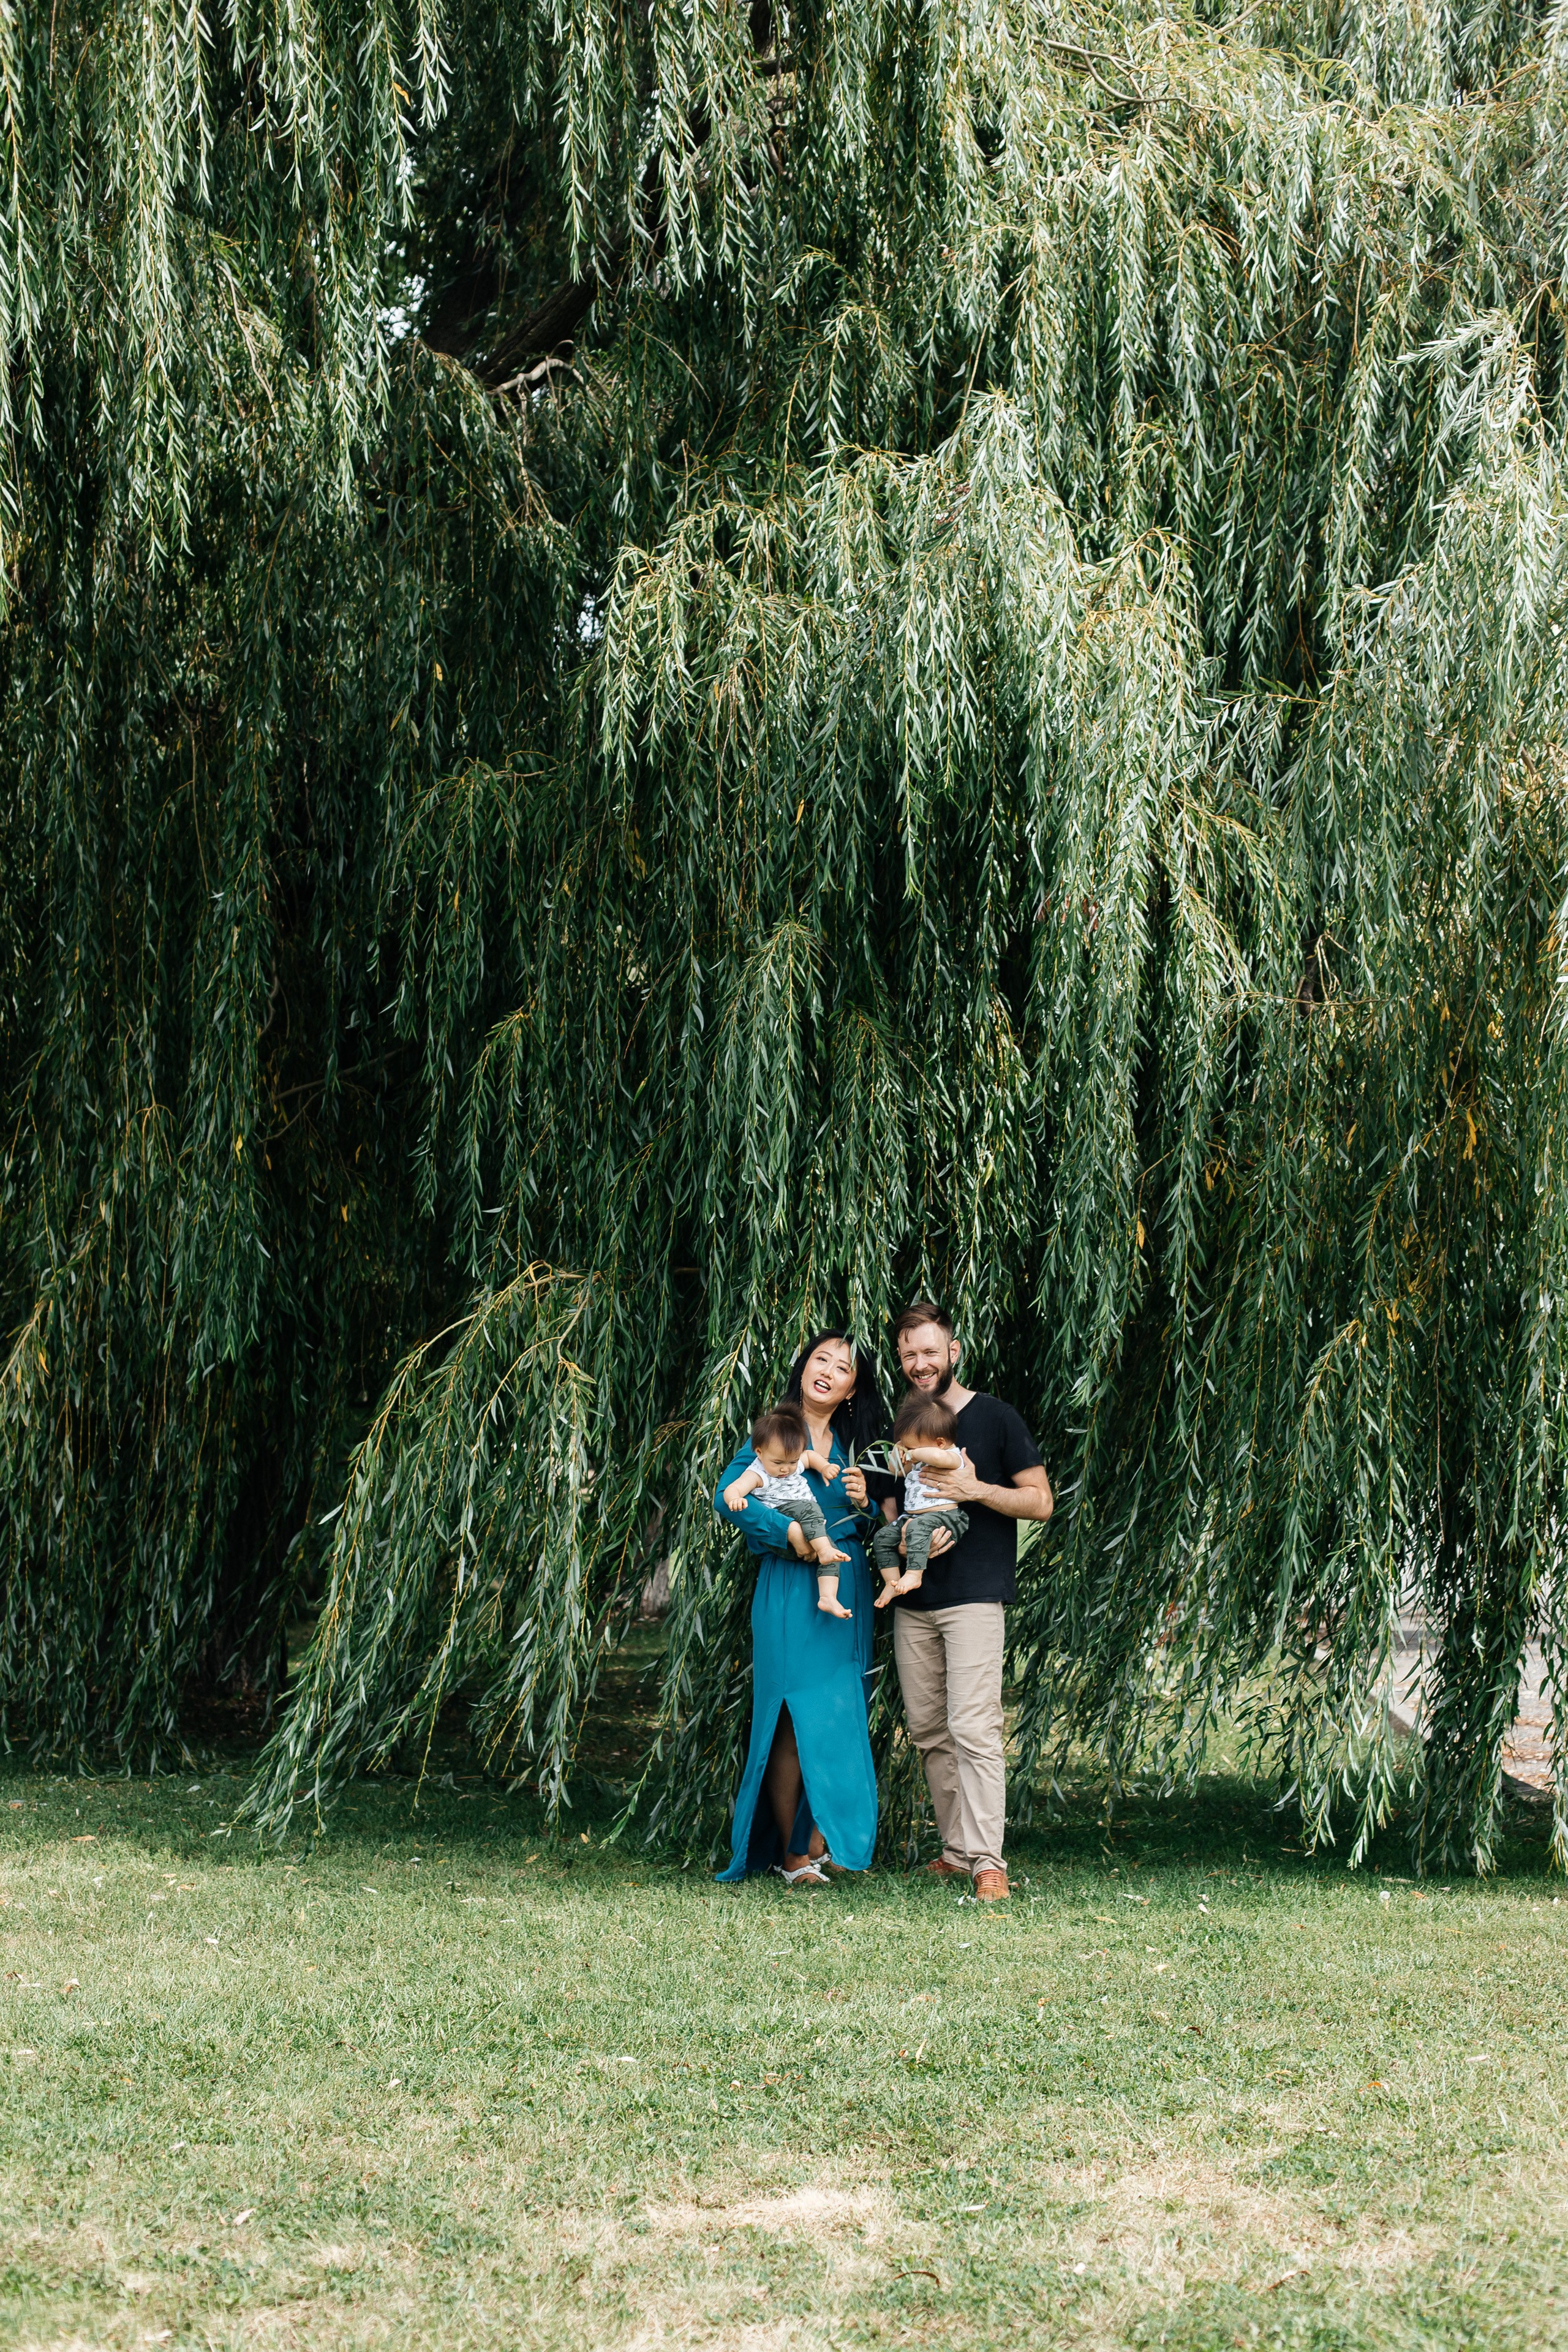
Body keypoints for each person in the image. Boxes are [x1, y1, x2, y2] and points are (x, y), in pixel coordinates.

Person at [886, 1300, 1052, 1903]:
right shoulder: (905, 1422)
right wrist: (895, 1526)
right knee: (929, 1730)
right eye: (909, 1354)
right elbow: (888, 1493)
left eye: (930, 1351)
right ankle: (956, 1852)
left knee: (974, 1728)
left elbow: (1040, 1502)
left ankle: (988, 1862)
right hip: (914, 1598)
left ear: (953, 1351)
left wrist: (974, 1489)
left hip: (975, 1597)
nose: (920, 1363)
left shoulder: (997, 1418)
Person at [713, 1330, 888, 1890]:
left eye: (843, 1367)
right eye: (821, 1359)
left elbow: (862, 1528)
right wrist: (787, 1531)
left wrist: (863, 1506)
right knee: (791, 1719)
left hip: (845, 1590)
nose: (829, 1371)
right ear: (804, 1366)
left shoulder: (848, 1442)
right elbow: (728, 1496)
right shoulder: (777, 1429)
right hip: (792, 1588)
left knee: (837, 1717)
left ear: (852, 1389)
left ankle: (818, 1839)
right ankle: (793, 1855)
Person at [722, 1402, 853, 1616]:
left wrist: (825, 1467)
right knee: (810, 1512)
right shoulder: (758, 1474)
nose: (786, 1469)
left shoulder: (792, 1462)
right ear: (759, 1452)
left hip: (805, 1530)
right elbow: (732, 1488)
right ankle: (824, 1550)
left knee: (832, 1550)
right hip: (784, 1514)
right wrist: (735, 1498)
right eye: (779, 1463)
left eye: (792, 1462)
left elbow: (809, 1457)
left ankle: (827, 1597)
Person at [872, 1391, 968, 1605]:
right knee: (883, 1538)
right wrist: (900, 1452)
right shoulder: (921, 1455)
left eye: (913, 1447)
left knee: (917, 1529)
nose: (910, 1452)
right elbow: (895, 1470)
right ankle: (892, 1582)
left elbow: (936, 1457)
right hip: (913, 1519)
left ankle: (914, 1575)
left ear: (940, 1442)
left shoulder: (952, 1456)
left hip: (945, 1517)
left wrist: (915, 1454)